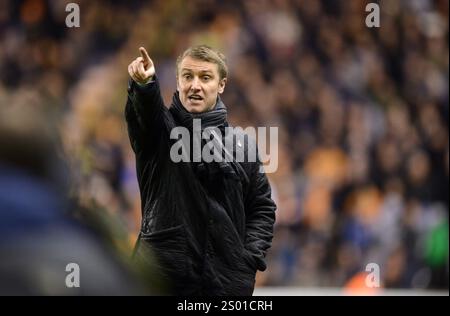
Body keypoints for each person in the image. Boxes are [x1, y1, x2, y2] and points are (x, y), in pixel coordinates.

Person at [126, 45, 276, 295]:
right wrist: (144, 86)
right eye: (187, 76)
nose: (195, 85)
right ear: (177, 81)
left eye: (205, 77)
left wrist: (247, 258)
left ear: (221, 85)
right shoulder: (160, 132)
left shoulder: (243, 144)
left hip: (225, 287)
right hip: (163, 281)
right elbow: (144, 115)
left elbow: (262, 208)